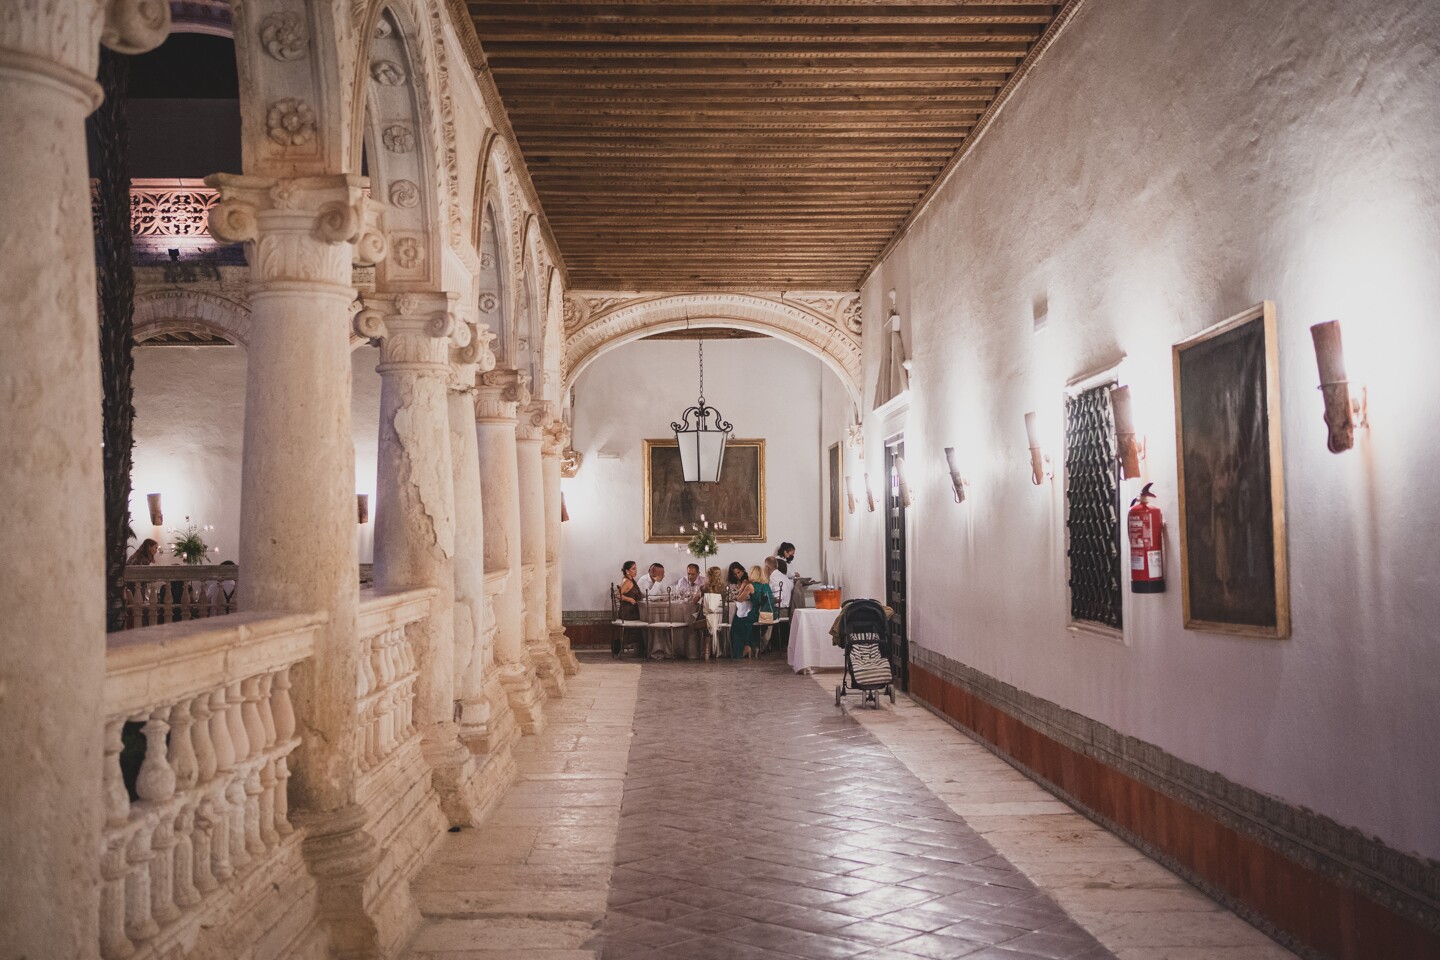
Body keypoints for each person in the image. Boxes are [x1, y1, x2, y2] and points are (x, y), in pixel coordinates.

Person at [727, 562, 756, 659]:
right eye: (735, 574)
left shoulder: (747, 582)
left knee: (737, 623)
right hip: (741, 606)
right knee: (735, 623)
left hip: (747, 607)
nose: (737, 575)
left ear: (743, 570)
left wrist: (739, 591)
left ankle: (744, 648)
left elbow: (739, 598)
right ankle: (745, 648)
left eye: (739, 572)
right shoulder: (734, 583)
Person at [614, 561, 642, 658]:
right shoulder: (627, 581)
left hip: (632, 610)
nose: (636, 570)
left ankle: (640, 649)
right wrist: (629, 599)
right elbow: (617, 595)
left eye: (636, 568)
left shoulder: (631, 580)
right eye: (633, 569)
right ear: (627, 571)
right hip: (628, 612)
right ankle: (642, 649)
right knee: (645, 620)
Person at [749, 563, 777, 655]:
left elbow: (742, 598)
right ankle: (760, 646)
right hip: (771, 614)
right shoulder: (766, 585)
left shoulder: (752, 586)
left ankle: (753, 646)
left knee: (742, 620)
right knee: (758, 627)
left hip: (760, 614)